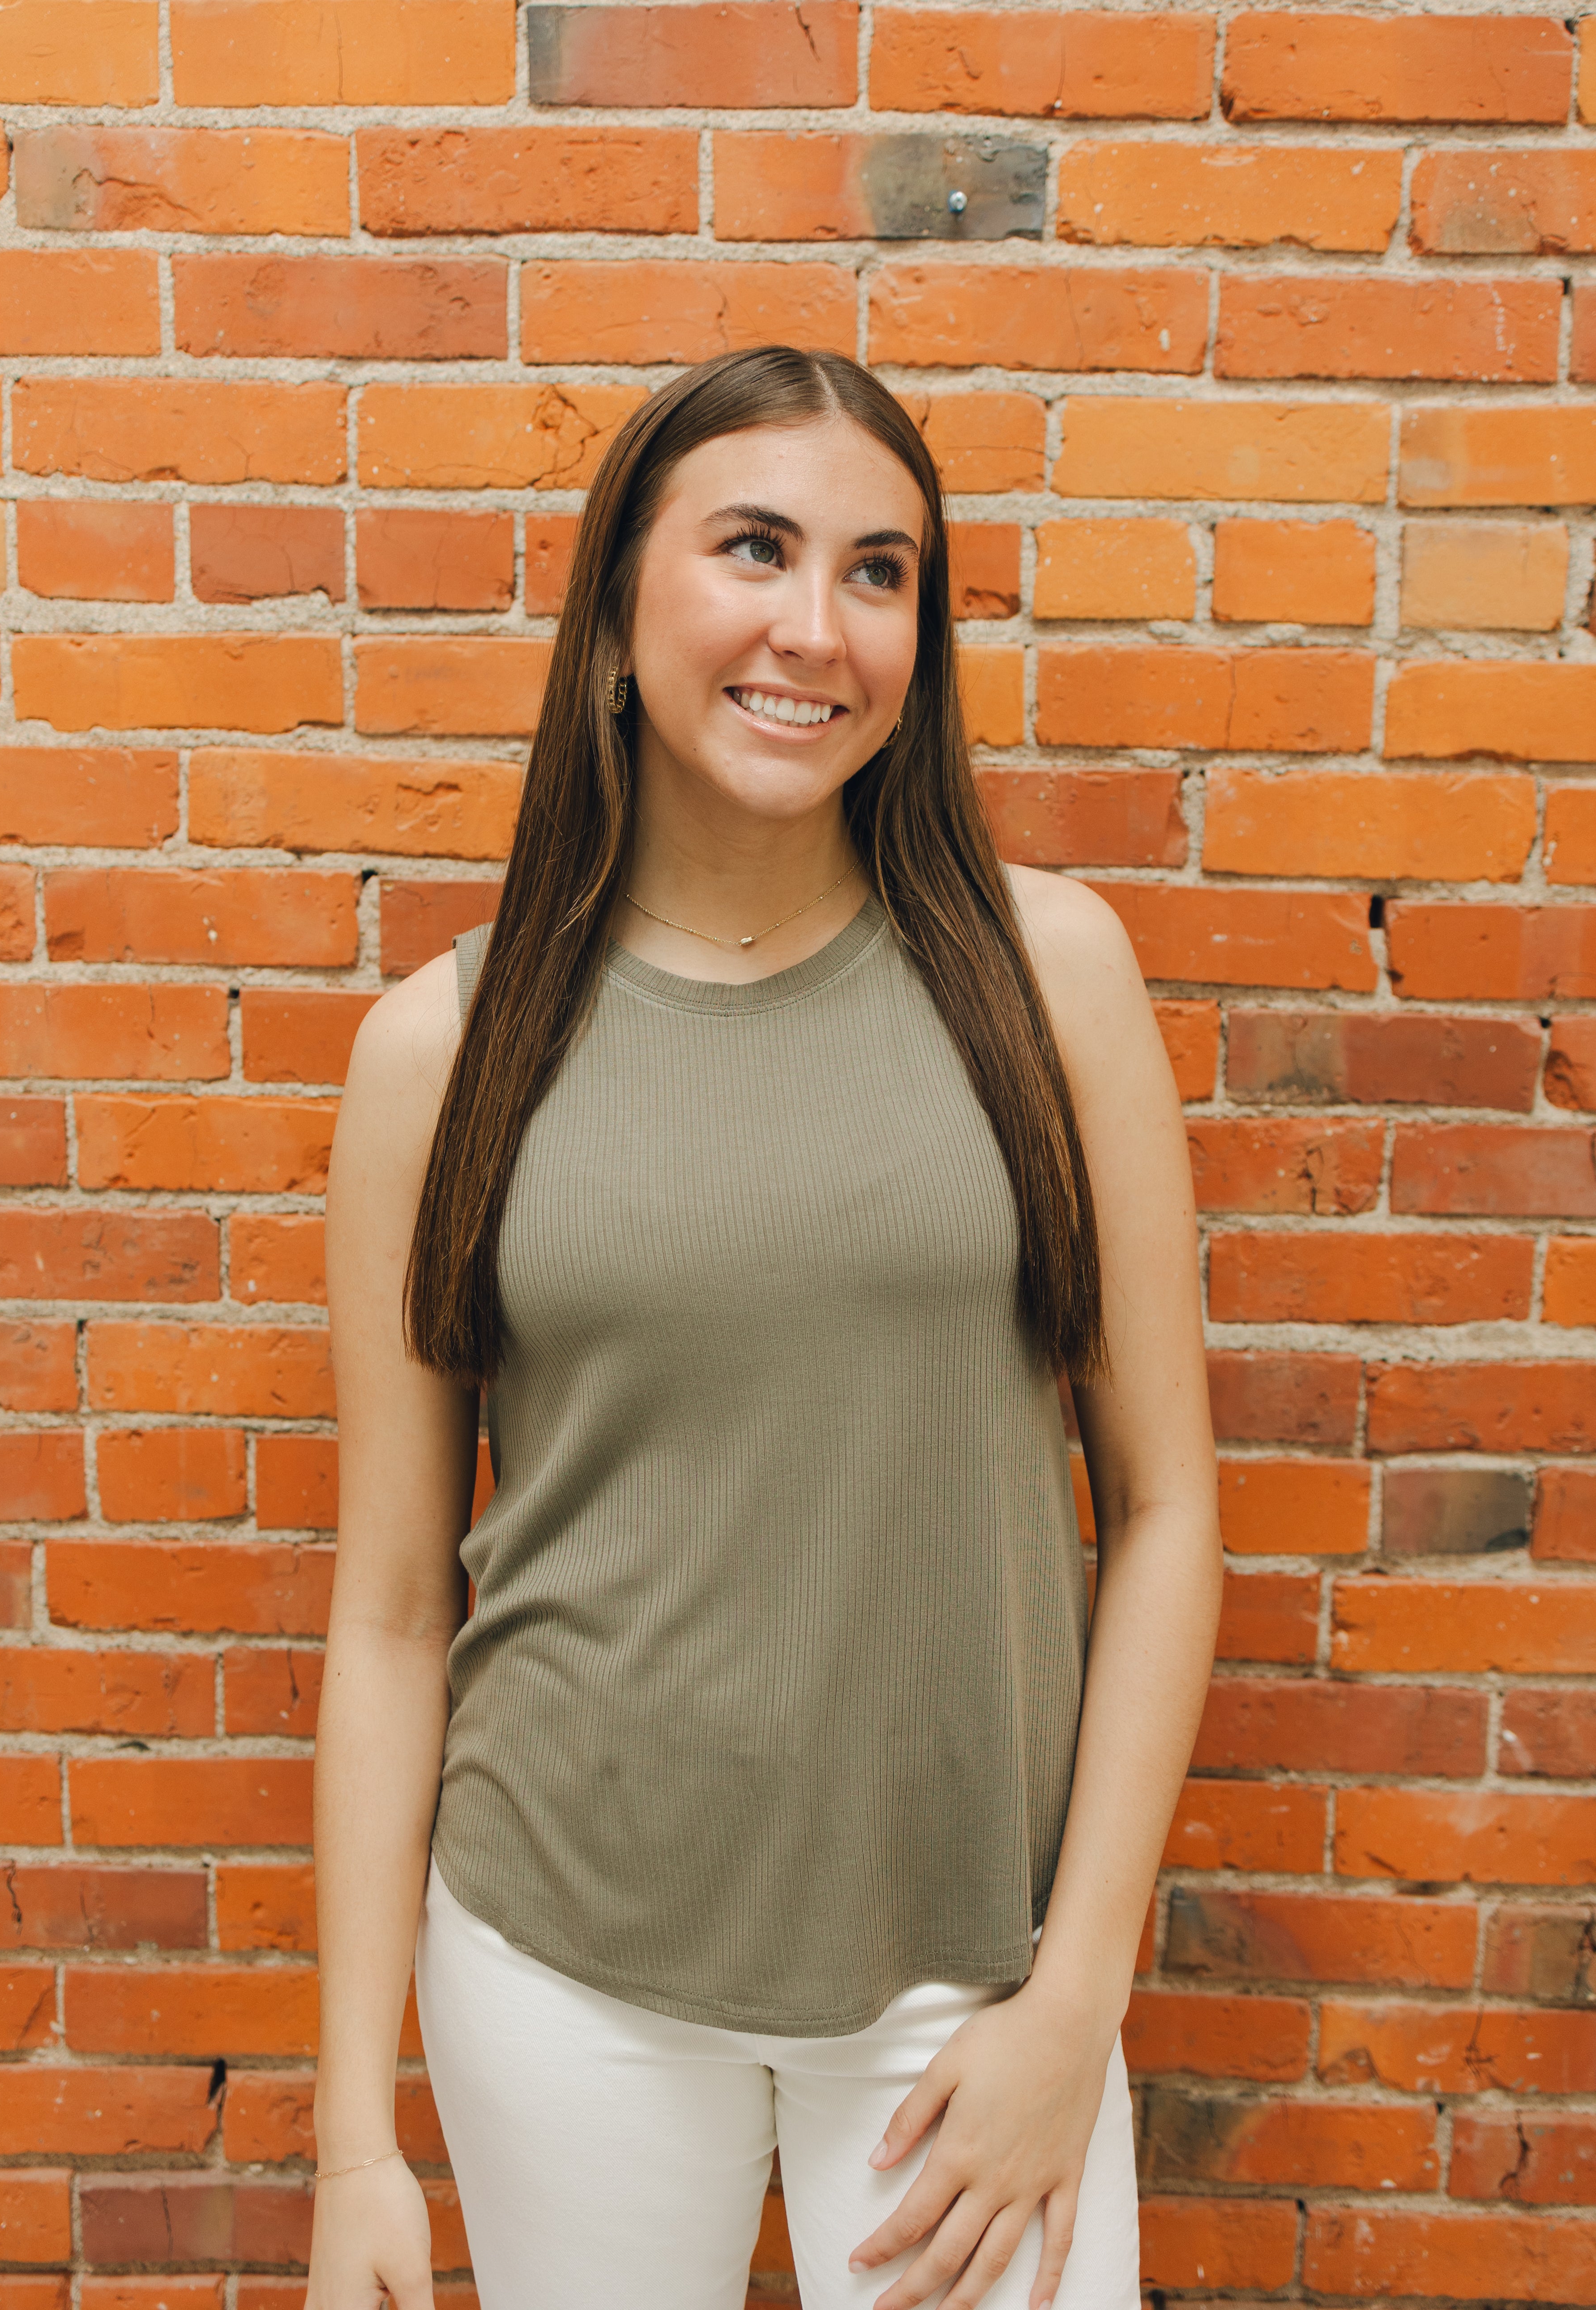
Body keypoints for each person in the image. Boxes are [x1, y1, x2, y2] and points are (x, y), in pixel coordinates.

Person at [307, 345, 1221, 2310]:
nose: (820, 627)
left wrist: (1077, 2000)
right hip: (565, 1971)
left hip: (973, 1980)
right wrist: (353, 2141)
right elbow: (388, 1615)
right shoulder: (443, 1054)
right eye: (754, 549)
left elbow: (1166, 1516)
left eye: (880, 573)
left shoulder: (1049, 977)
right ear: (619, 610)